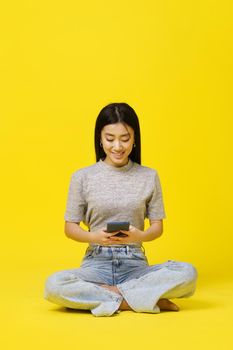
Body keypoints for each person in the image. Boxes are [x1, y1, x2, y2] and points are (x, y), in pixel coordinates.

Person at [44, 102, 198, 317]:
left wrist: (139, 235)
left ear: (135, 139)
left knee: (188, 273)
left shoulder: (149, 176)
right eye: (110, 139)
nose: (118, 146)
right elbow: (70, 228)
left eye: (125, 139)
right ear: (99, 138)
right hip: (96, 263)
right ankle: (138, 299)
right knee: (54, 285)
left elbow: (157, 228)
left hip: (135, 264)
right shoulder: (82, 177)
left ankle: (107, 297)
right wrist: (95, 237)